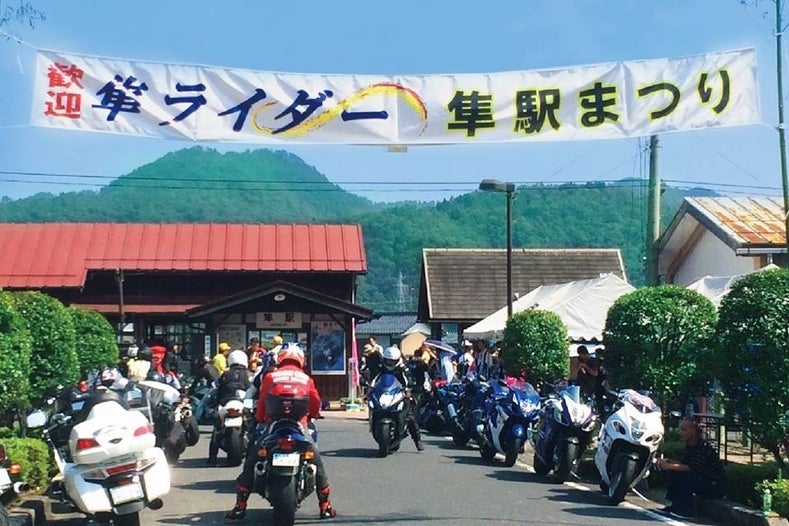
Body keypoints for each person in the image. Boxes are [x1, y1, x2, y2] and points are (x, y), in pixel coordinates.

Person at [227, 343, 336, 520]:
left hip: (274, 424)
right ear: (300, 359)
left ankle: (240, 506)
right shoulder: (305, 378)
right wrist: (313, 415)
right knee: (317, 462)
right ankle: (325, 506)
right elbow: (315, 401)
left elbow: (263, 401)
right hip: (299, 425)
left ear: (281, 358)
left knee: (252, 460)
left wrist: (260, 418)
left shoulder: (271, 376)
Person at [657, 418, 727, 518]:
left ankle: (686, 510)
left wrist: (669, 466)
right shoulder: (690, 446)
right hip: (702, 479)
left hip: (714, 484)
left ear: (693, 432)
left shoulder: (703, 447)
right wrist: (670, 462)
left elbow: (692, 468)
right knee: (675, 472)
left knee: (687, 477)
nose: (681, 433)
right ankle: (675, 505)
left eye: (684, 430)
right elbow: (685, 464)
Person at [373, 345, 424, 452]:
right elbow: (374, 377)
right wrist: (369, 385)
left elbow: (409, 378)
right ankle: (374, 426)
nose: (390, 363)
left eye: (393, 361)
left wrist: (409, 388)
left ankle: (417, 440)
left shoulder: (402, 367)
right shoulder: (381, 367)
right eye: (388, 360)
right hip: (385, 393)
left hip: (399, 393)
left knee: (410, 416)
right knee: (374, 406)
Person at [208, 350, 251, 466]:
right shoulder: (248, 374)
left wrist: (216, 403)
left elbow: (218, 390)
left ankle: (212, 457)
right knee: (252, 426)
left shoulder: (225, 374)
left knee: (217, 428)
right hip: (242, 403)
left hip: (226, 403)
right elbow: (251, 389)